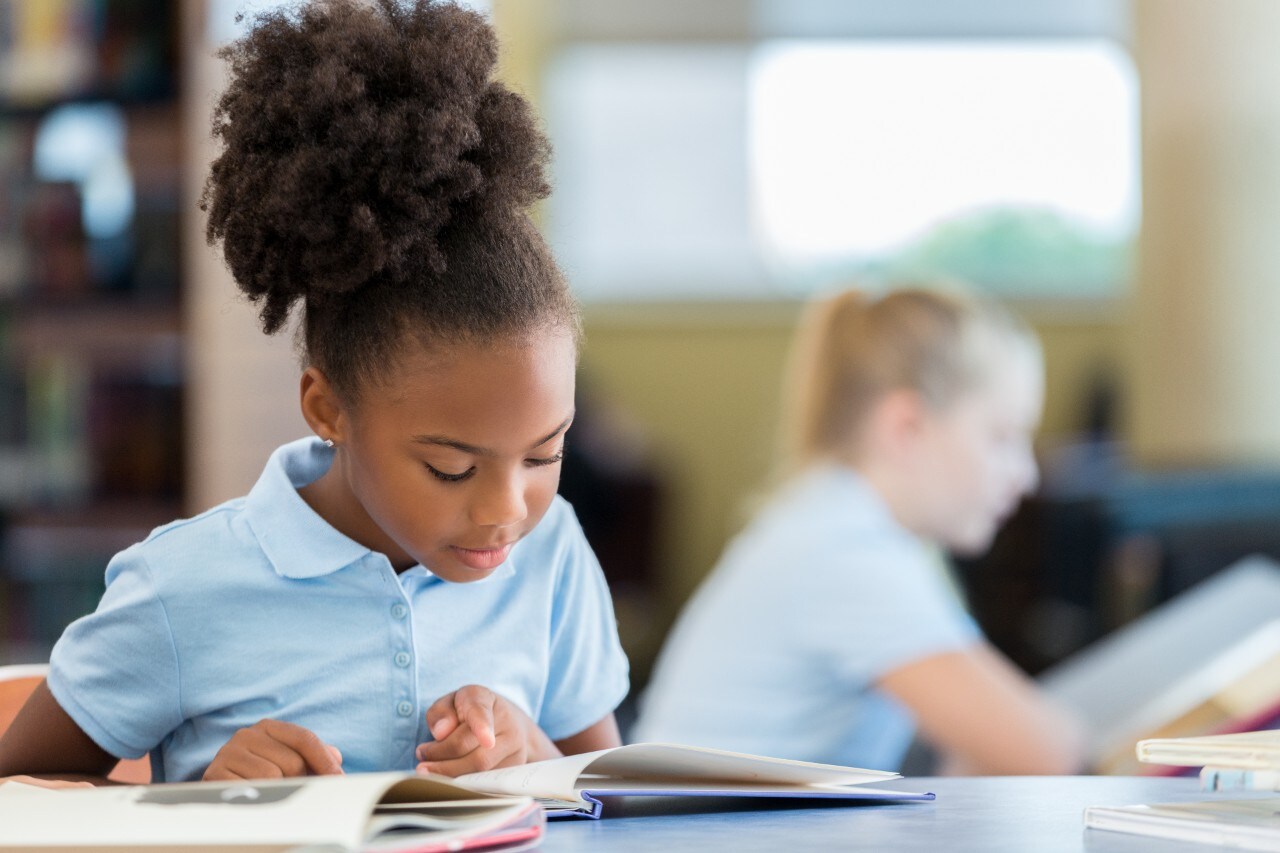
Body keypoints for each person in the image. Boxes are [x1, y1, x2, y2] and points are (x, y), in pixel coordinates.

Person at [0, 0, 627, 785]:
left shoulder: (551, 552)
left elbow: (603, 784)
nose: (507, 508)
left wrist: (531, 751)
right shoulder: (184, 587)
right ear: (328, 408)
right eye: (451, 468)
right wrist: (196, 800)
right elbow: (13, 797)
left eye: (545, 453)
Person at [632, 286, 1086, 775]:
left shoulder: (837, 521)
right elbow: (1047, 755)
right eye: (1001, 437)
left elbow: (976, 749)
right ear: (907, 427)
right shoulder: (844, 552)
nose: (1026, 475)